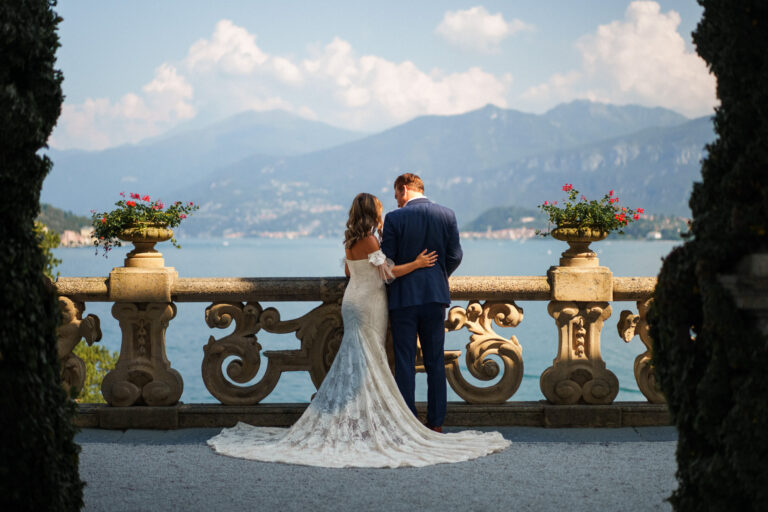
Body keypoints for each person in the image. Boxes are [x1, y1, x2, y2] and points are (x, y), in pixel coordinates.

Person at [207, 193, 509, 468]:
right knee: (369, 359)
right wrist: (417, 263)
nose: (382, 213)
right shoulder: (371, 241)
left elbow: (350, 272)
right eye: (378, 209)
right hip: (369, 304)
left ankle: (358, 416)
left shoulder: (352, 240)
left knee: (358, 360)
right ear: (371, 212)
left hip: (353, 300)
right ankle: (377, 419)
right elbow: (387, 273)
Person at [381, 173, 461, 432]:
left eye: (396, 196)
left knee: (405, 361)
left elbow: (387, 262)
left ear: (404, 189)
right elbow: (455, 255)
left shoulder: (394, 218)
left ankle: (408, 422)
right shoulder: (447, 214)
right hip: (435, 296)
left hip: (404, 297)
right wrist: (439, 274)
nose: (397, 202)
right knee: (435, 360)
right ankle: (436, 423)